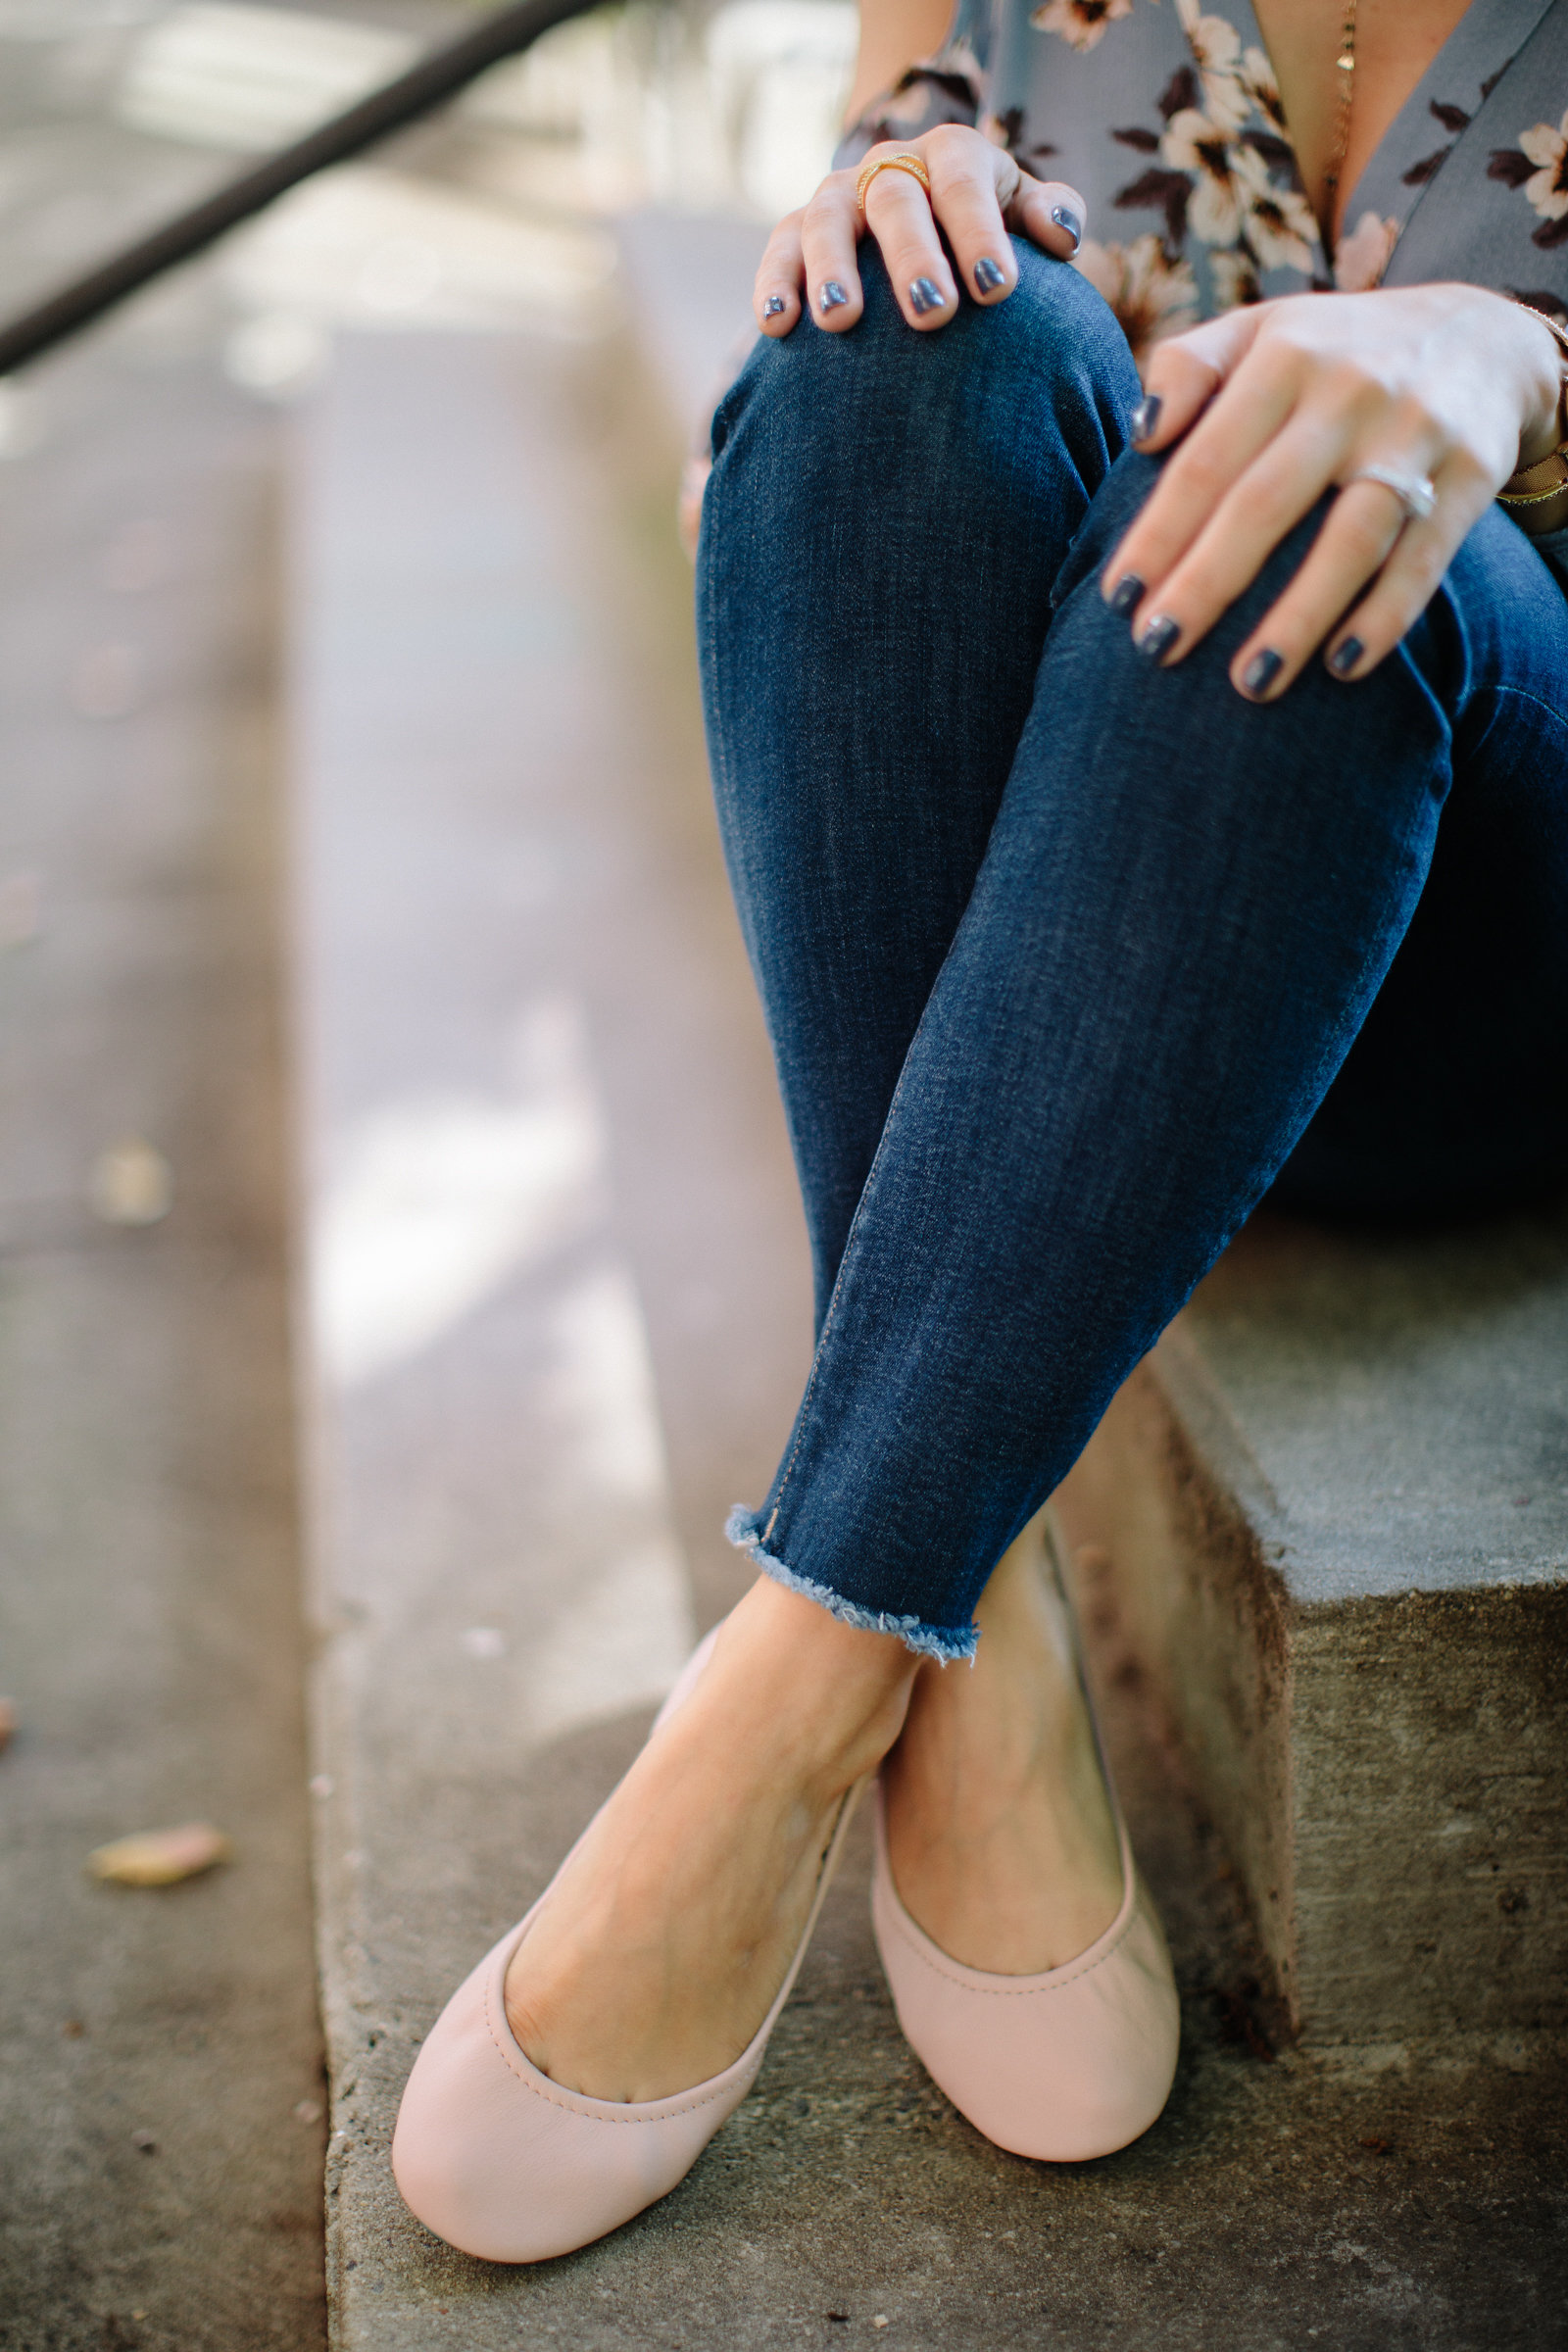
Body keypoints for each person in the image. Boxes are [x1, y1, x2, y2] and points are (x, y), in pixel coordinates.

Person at [391, 0, 1568, 2264]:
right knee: (884, 339)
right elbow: (909, 142)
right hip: (1096, 933)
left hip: (1480, 891)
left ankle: (793, 1679)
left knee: (1315, 488)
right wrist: (873, 199)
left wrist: (1495, 355)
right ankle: (974, 1614)